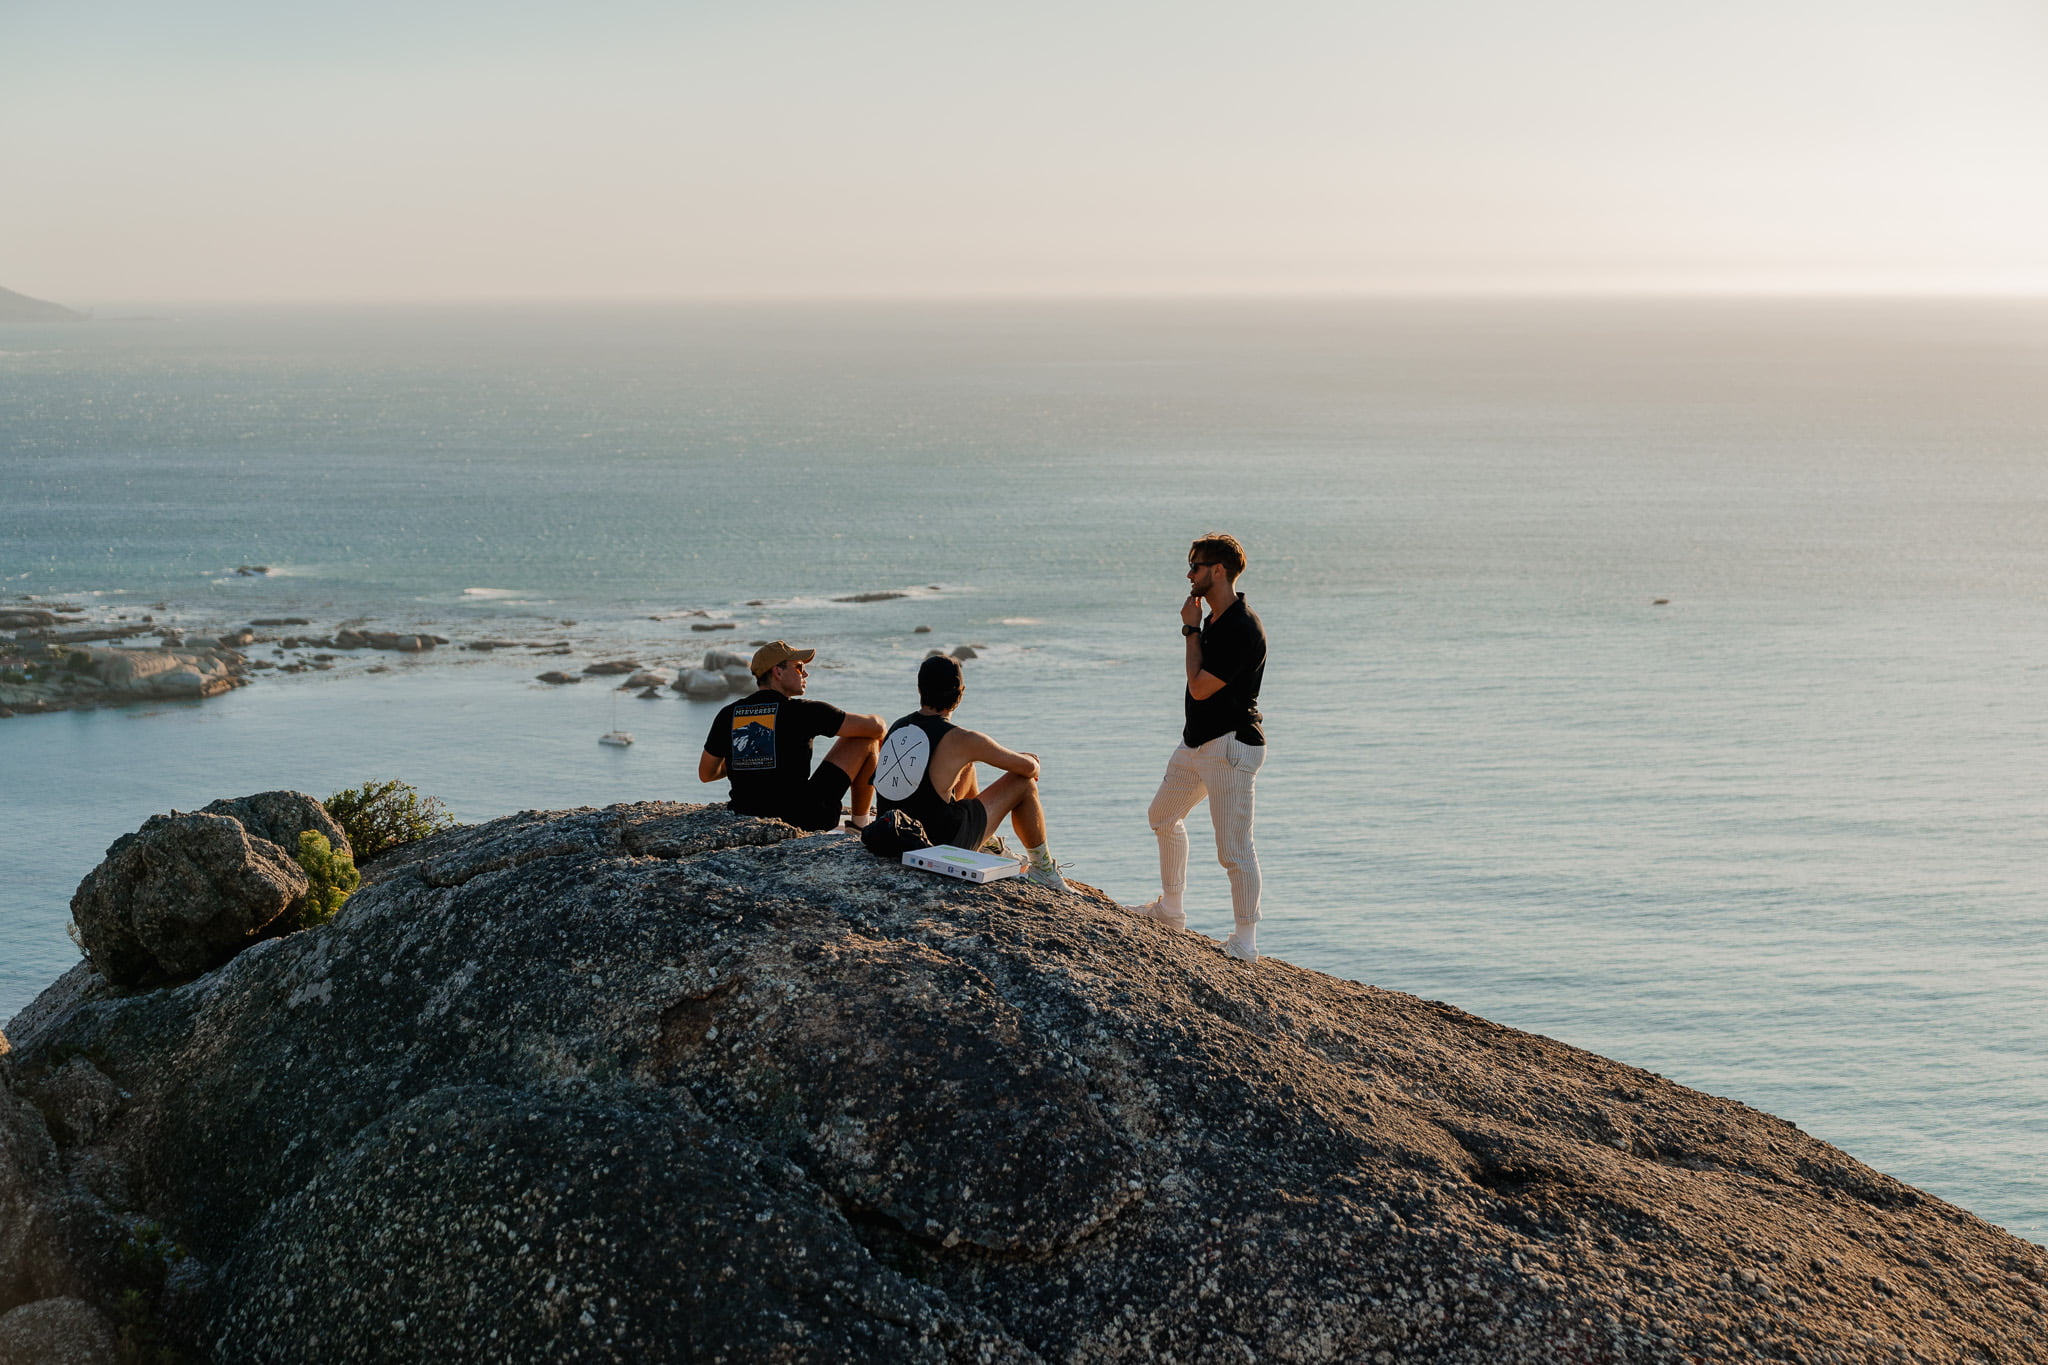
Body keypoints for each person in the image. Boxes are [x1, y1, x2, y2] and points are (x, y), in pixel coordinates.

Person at [1124, 533, 1268, 961]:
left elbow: (1201, 687)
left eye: (1196, 566)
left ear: (1218, 571)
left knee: (1234, 849)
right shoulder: (1216, 620)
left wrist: (1188, 629)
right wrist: (1196, 627)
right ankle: (1171, 909)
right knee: (1162, 816)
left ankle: (1246, 942)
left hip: (1230, 745)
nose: (1189, 574)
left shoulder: (1242, 626)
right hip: (1197, 742)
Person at [873, 654, 1069, 890]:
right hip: (938, 847)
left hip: (893, 834)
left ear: (919, 689)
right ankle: (1044, 870)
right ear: (961, 692)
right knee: (1023, 783)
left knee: (966, 765)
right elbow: (1028, 769)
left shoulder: (897, 726)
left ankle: (989, 844)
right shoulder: (963, 739)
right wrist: (1030, 759)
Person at [699, 640, 883, 831]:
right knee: (865, 739)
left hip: (745, 814)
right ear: (777, 672)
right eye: (799, 667)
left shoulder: (728, 713)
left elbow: (706, 774)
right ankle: (859, 826)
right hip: (805, 818)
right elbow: (875, 727)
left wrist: (749, 759)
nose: (805, 673)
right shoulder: (804, 712)